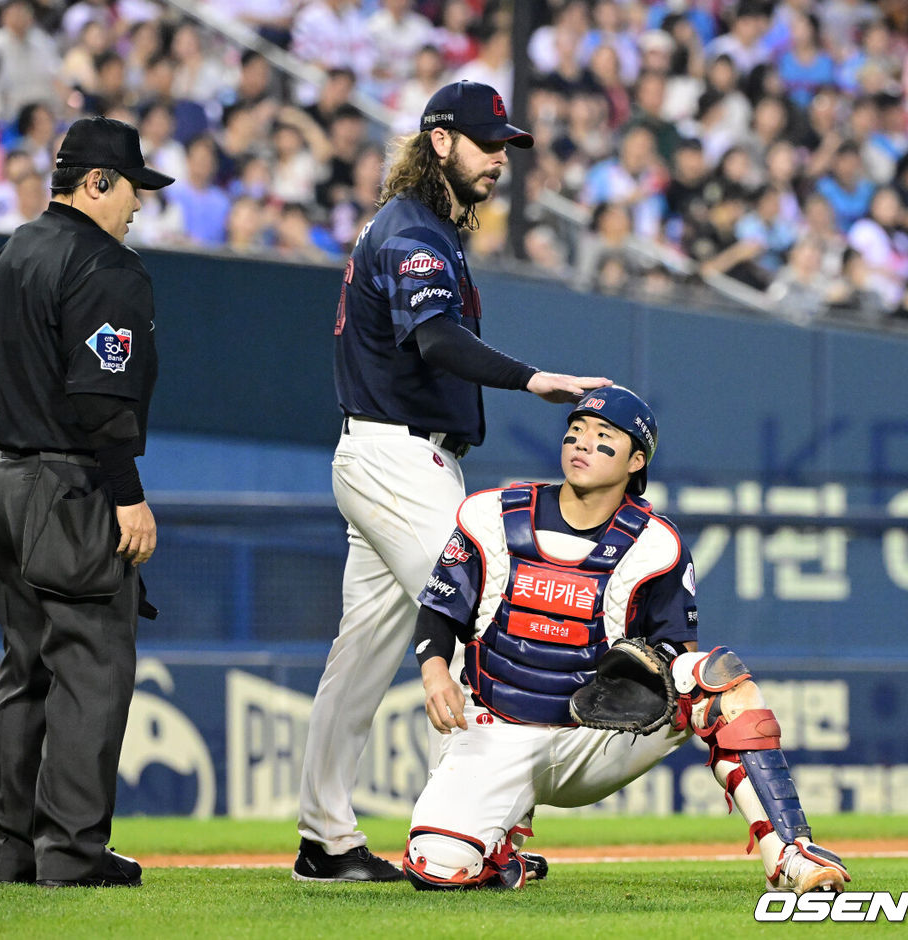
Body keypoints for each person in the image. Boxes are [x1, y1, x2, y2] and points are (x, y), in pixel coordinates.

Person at [293, 79, 612, 883]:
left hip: (388, 454)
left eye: (505, 146)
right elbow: (436, 341)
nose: (499, 159)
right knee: (487, 615)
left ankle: (323, 841)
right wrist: (533, 378)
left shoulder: (421, 226)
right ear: (440, 142)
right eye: (486, 142)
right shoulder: (411, 232)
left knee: (360, 657)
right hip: (398, 459)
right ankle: (476, 834)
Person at [402, 386, 850, 895]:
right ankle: (500, 852)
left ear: (636, 460)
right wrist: (435, 670)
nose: (582, 443)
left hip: (594, 735)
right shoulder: (491, 515)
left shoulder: (657, 544)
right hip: (492, 726)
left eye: (602, 436)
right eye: (575, 432)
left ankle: (791, 853)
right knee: (437, 869)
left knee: (714, 677)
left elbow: (679, 653)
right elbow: (439, 609)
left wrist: (658, 675)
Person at [0, 116, 174, 888]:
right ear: (96, 182)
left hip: (1, 477)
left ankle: (13, 851)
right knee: (92, 668)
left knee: (25, 665)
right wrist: (127, 497)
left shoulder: (15, 249)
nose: (137, 207)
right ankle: (73, 853)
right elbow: (101, 400)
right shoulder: (107, 266)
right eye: (130, 189)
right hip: (69, 487)